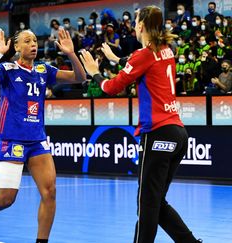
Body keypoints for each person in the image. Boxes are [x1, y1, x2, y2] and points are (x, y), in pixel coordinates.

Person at [79, 6, 202, 243]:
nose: (134, 25)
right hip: (178, 133)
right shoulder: (166, 50)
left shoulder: (143, 55)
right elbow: (144, 63)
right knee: (156, 202)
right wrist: (119, 59)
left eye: (136, 21)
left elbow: (112, 87)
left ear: (142, 25)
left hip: (157, 133)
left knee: (147, 204)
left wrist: (94, 72)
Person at [0, 28, 86, 243]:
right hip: (12, 140)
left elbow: (79, 78)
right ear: (17, 47)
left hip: (37, 141)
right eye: (27, 41)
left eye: (35, 40)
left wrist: (71, 54)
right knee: (6, 199)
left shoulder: (44, 70)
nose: (33, 44)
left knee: (50, 192)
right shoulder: (7, 69)